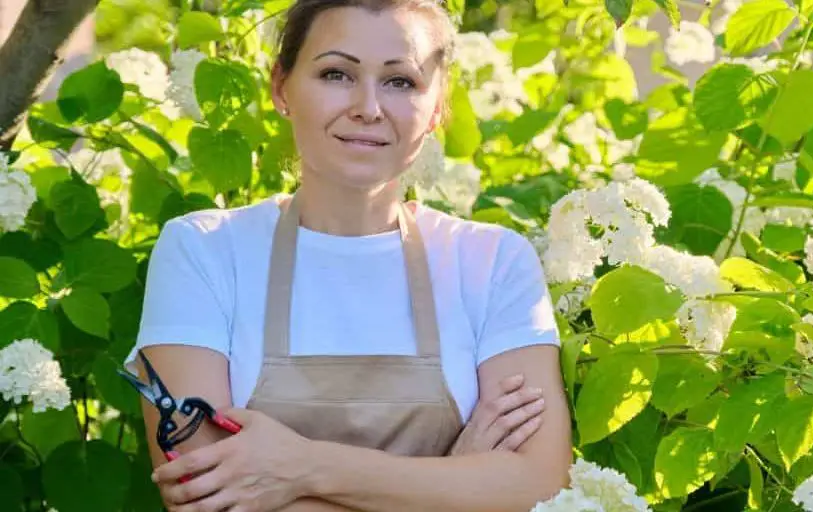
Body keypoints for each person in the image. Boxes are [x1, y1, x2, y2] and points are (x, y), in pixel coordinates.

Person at [125, 0, 573, 510]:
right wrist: (455, 479)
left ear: (438, 107)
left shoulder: (494, 262)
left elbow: (539, 485)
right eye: (336, 73)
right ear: (281, 88)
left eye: (400, 81)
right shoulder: (203, 250)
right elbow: (203, 493)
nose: (368, 106)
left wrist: (301, 467)